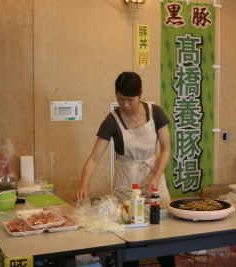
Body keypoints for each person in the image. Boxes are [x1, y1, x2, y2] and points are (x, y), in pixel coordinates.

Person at [73, 71, 175, 267]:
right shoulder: (112, 120)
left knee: (162, 234)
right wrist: (83, 185)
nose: (126, 105)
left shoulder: (156, 113)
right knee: (129, 238)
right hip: (126, 181)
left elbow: (166, 149)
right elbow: (94, 158)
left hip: (154, 179)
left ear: (141, 93)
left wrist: (156, 177)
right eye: (121, 100)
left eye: (131, 100)